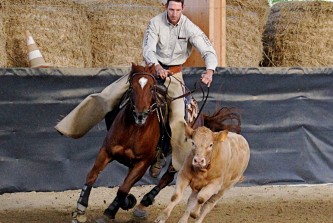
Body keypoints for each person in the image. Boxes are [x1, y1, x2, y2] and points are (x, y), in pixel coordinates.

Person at [55, 0, 217, 177]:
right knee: (107, 95)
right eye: (171, 9)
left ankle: (177, 163)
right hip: (148, 72)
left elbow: (208, 50)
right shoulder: (155, 22)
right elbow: (148, 49)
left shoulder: (190, 27)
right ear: (166, 8)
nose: (174, 13)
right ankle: (71, 127)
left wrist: (209, 72)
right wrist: (156, 67)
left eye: (178, 10)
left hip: (173, 76)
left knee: (178, 118)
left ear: (183, 9)